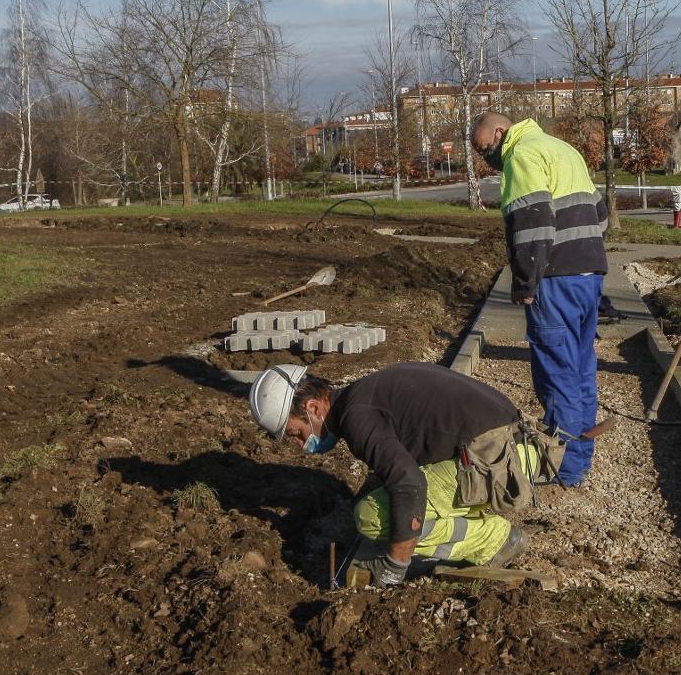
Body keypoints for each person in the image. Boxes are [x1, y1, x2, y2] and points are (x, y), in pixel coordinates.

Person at [247, 362, 566, 587]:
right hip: (512, 450)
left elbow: (409, 484)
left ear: (314, 408)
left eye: (297, 433)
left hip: (499, 462)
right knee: (382, 499)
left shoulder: (357, 418)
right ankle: (480, 524)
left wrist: (395, 563)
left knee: (370, 516)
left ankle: (493, 540)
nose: (304, 446)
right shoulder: (364, 395)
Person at [470, 111, 608, 486]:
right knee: (580, 369)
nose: (488, 160)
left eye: (485, 150)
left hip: (555, 279)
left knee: (557, 373)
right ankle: (578, 461)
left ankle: (562, 467)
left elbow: (532, 223)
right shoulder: (562, 149)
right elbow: (601, 213)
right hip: (587, 275)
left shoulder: (522, 155)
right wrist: (589, 258)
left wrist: (526, 283)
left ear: (500, 133)